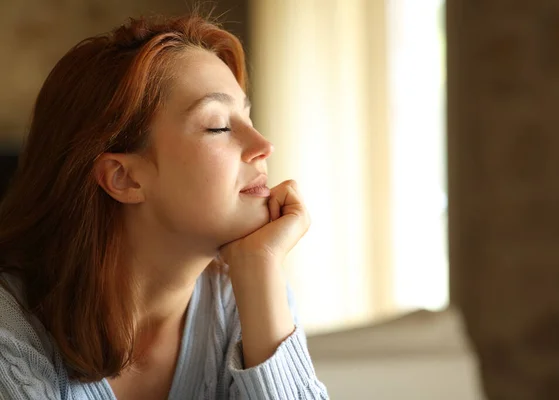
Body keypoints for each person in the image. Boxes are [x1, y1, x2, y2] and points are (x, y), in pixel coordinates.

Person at [0, 13, 329, 400]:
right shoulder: (12, 333)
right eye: (219, 126)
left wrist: (259, 268)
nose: (262, 145)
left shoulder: (250, 287)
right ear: (125, 179)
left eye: (248, 115)